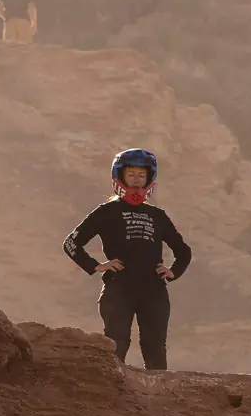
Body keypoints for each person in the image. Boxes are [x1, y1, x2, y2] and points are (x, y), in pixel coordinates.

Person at [63, 148, 191, 373]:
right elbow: (71, 243)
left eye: (141, 175)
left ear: (149, 179)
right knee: (116, 343)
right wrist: (96, 265)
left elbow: (183, 251)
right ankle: (110, 388)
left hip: (154, 290)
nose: (136, 180)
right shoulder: (106, 211)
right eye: (131, 174)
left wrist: (173, 271)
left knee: (155, 347)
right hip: (118, 288)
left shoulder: (157, 215)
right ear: (119, 176)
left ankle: (159, 393)